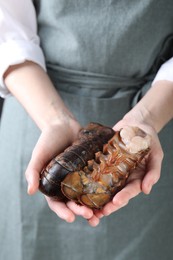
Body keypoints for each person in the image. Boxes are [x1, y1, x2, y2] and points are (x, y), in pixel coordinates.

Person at [0, 0, 173, 259]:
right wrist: (54, 120)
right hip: (37, 112)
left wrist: (147, 116)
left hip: (159, 113)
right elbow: (7, 34)